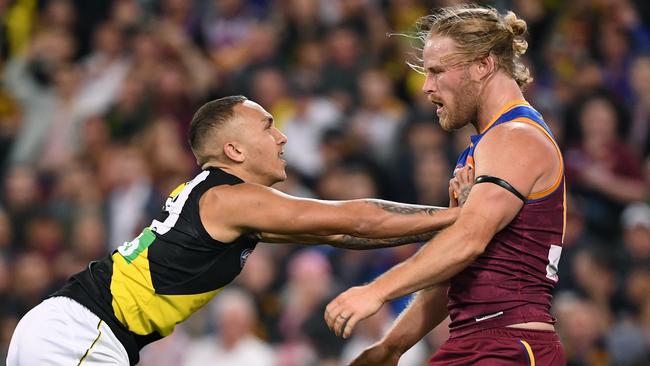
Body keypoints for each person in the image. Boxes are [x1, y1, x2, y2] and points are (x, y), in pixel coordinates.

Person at [6, 95, 472, 366]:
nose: (282, 137)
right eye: (268, 127)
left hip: (73, 329)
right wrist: (459, 216)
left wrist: (436, 227)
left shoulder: (224, 201)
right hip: (80, 335)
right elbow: (356, 218)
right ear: (234, 150)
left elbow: (344, 236)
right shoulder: (229, 198)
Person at [324, 5, 567, 365]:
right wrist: (391, 348)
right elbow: (450, 264)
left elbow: (467, 240)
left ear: (483, 65)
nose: (426, 86)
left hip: (511, 344)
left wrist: (377, 291)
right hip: (475, 342)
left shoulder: (517, 138)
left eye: (437, 72)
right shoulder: (481, 150)